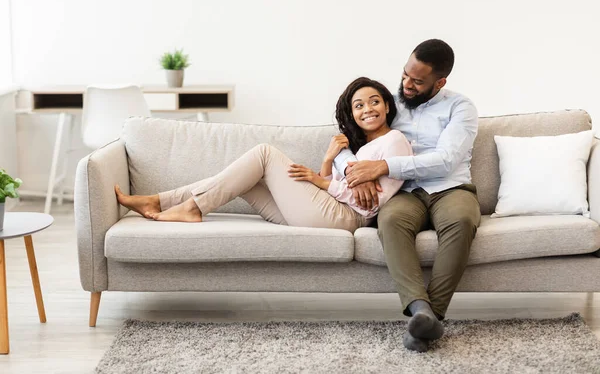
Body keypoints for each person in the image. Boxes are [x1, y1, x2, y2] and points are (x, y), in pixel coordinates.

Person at [115, 77, 412, 236]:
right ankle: (161, 201)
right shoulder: (358, 149)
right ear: (353, 114)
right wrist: (327, 160)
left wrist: (319, 183)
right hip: (326, 212)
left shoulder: (395, 140)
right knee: (245, 181)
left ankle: (191, 207)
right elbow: (338, 185)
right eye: (359, 105)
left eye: (374, 101)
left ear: (387, 105)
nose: (367, 109)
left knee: (264, 153)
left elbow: (372, 204)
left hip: (346, 219)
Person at [333, 39, 480, 352]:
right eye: (404, 75)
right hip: (403, 190)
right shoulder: (390, 104)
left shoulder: (460, 107)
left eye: (417, 81)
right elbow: (343, 137)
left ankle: (430, 317)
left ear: (439, 82)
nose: (407, 85)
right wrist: (352, 170)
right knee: (390, 222)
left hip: (448, 186)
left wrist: (383, 165)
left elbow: (446, 160)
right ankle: (421, 312)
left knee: (463, 220)